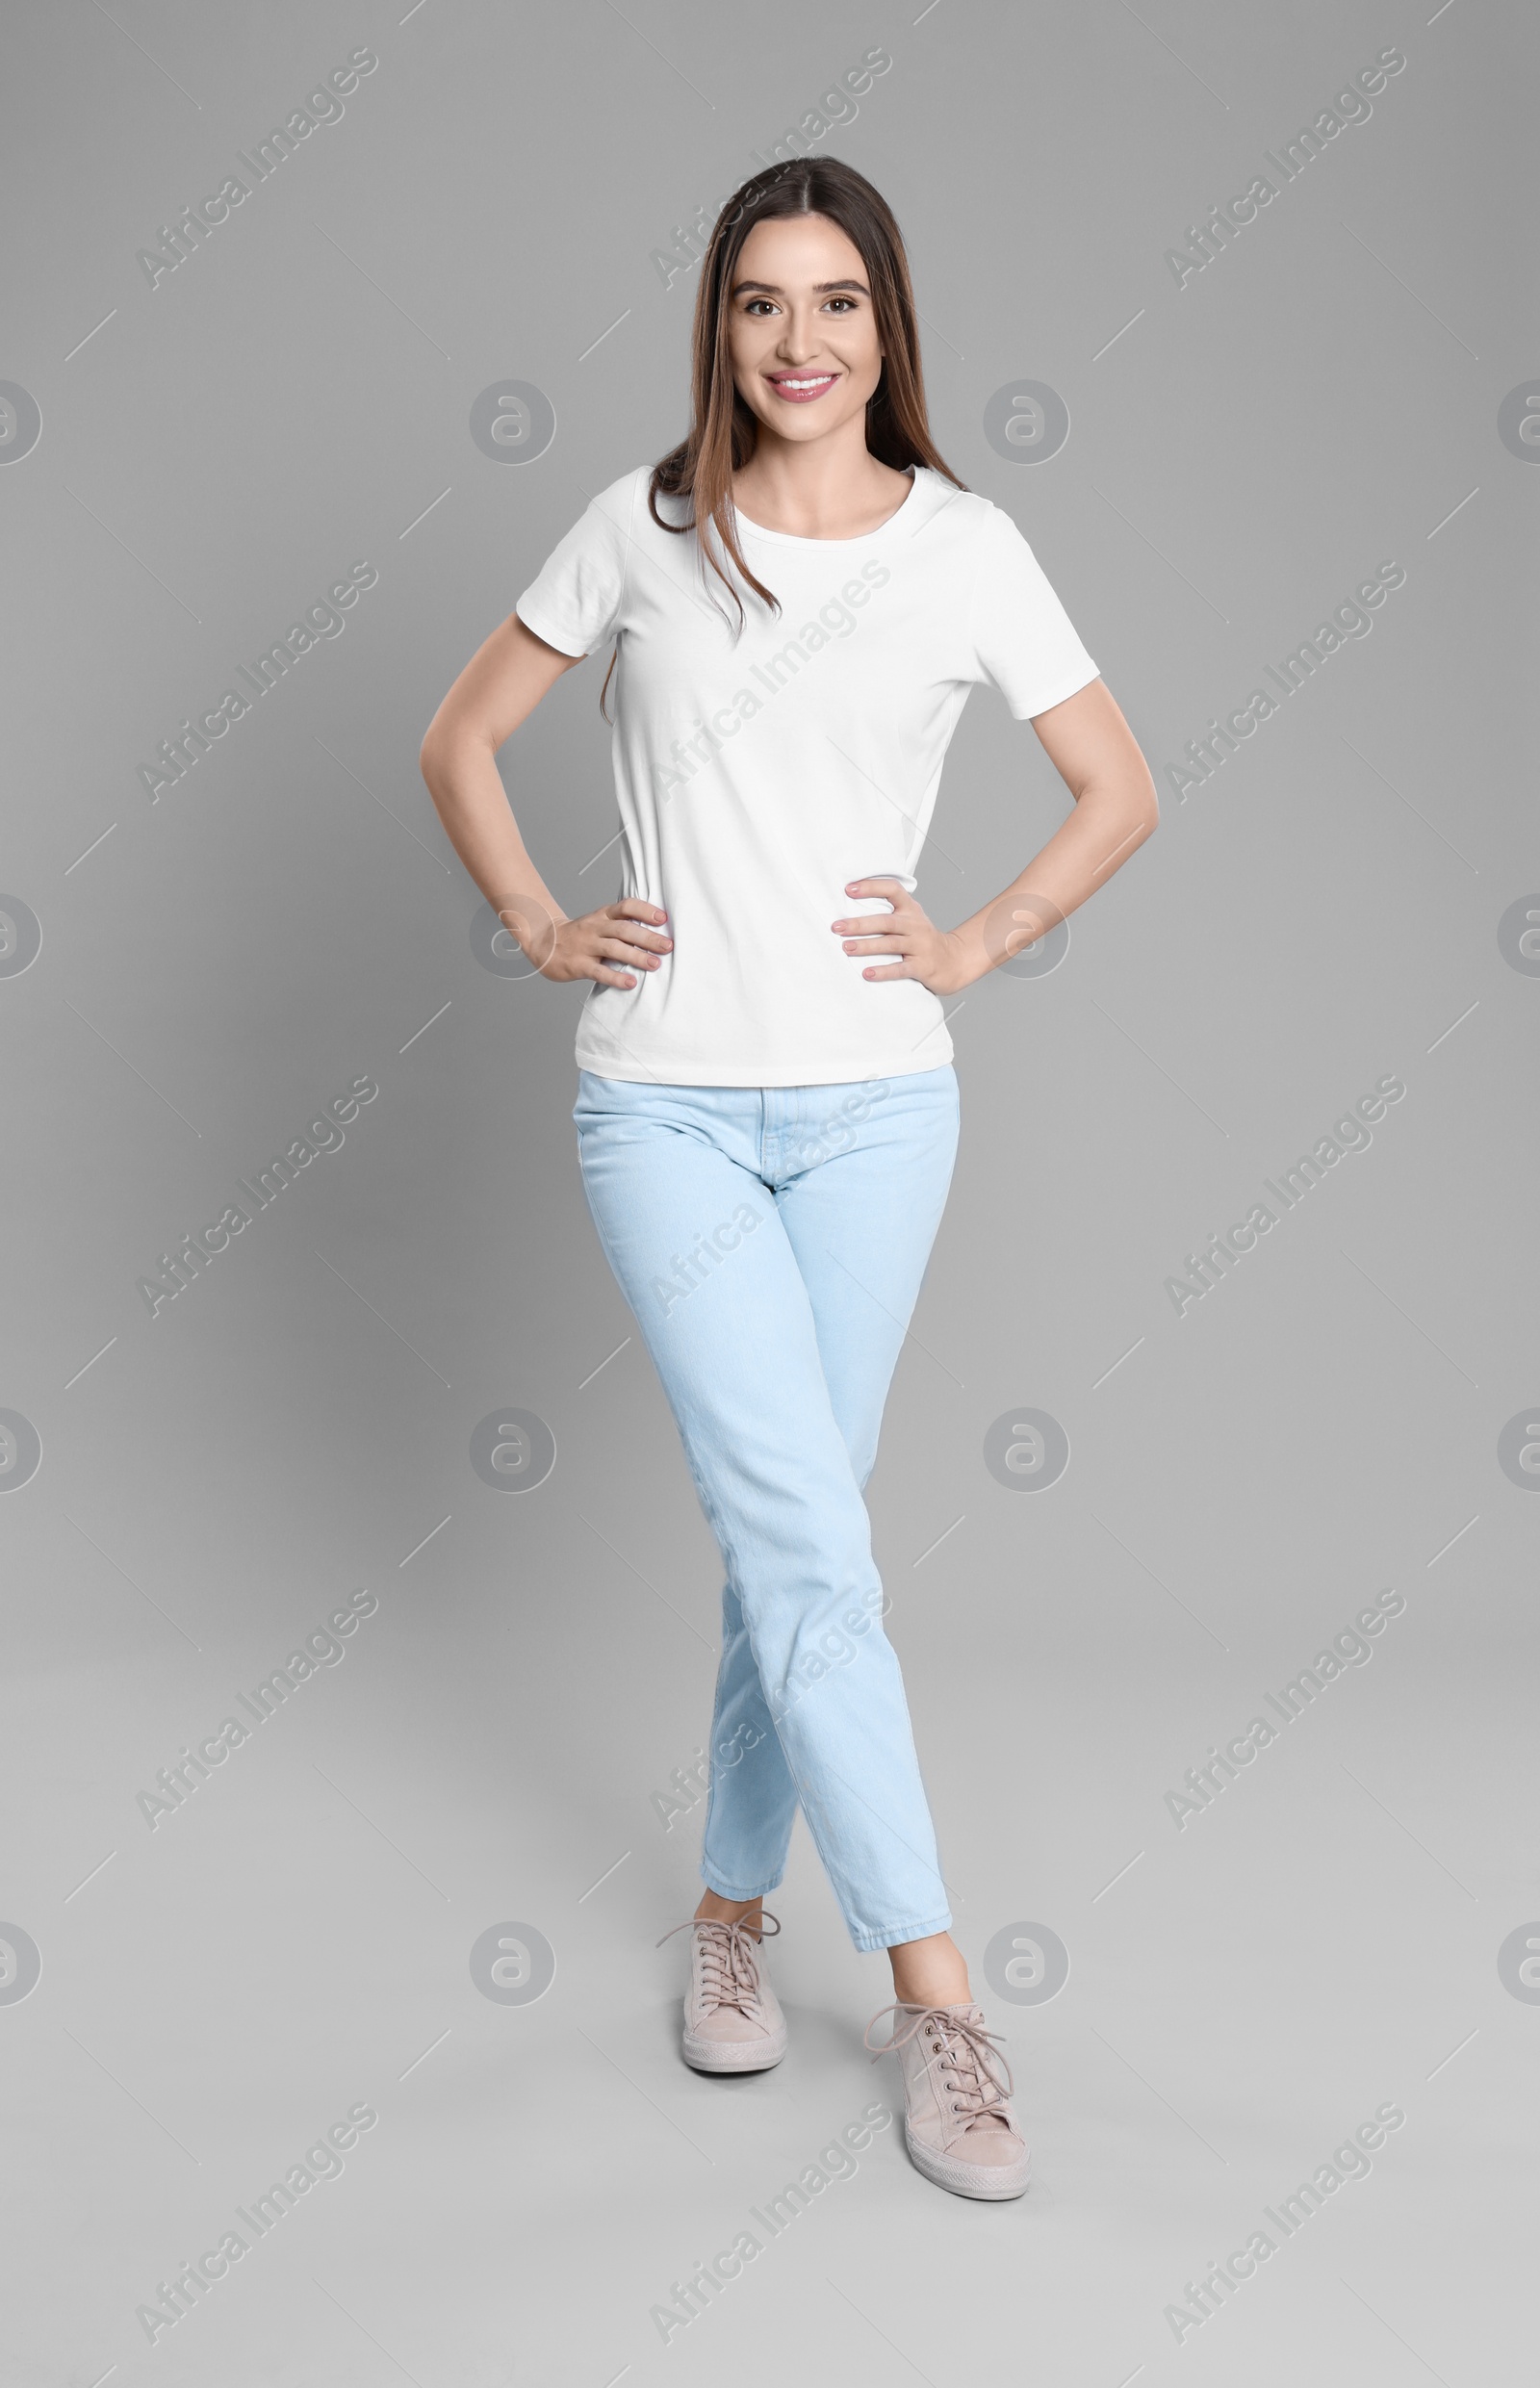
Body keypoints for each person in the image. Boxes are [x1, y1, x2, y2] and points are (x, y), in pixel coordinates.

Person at [420, 156, 1158, 2201]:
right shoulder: (639, 532)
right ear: (718, 325)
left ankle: (731, 1920)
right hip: (660, 1104)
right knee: (809, 1543)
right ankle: (939, 1991)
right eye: (760, 303)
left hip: (874, 1111)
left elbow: (1119, 785)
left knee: (789, 1541)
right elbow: (457, 738)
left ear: (884, 326)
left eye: (834, 302)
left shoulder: (966, 547)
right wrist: (538, 915)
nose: (799, 342)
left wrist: (977, 936)